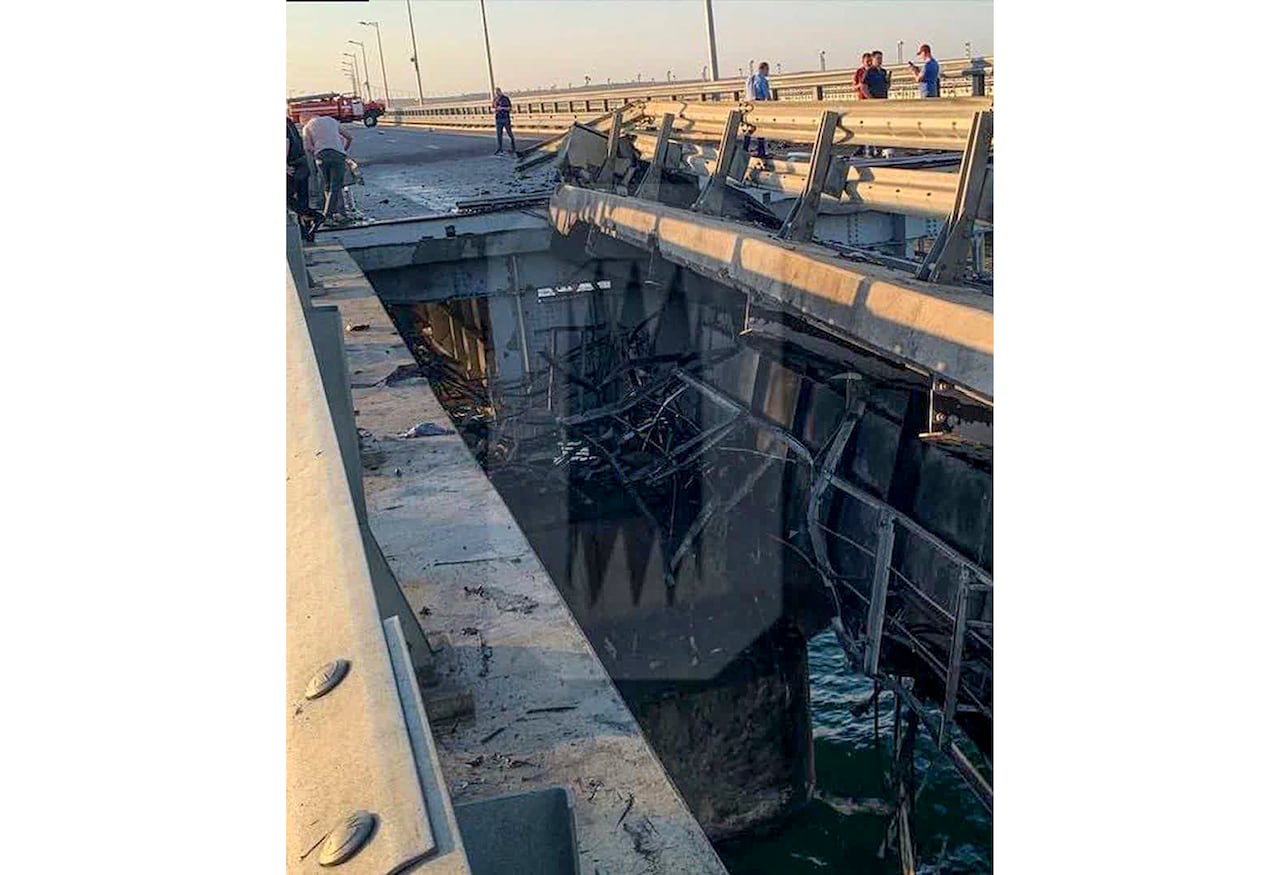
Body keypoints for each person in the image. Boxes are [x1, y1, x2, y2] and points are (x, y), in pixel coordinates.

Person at [302, 112, 353, 224]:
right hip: (337, 155)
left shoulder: (307, 127)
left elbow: (308, 147)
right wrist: (344, 150)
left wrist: (316, 155)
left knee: (327, 186)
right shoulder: (331, 120)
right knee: (336, 186)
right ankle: (328, 216)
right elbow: (349, 137)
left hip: (321, 157)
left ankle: (338, 213)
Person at [287, 117, 323, 242]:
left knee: (288, 199)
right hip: (302, 163)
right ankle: (307, 233)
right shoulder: (288, 122)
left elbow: (285, 142)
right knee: (302, 199)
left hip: (292, 165)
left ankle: (315, 217)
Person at [743, 61, 771, 158]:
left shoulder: (751, 79)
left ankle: (744, 149)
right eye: (767, 69)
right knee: (760, 128)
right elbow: (766, 94)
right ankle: (761, 151)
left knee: (750, 128)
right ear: (763, 69)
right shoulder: (762, 80)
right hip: (759, 104)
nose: (768, 72)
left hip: (750, 105)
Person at [492, 87, 516, 155]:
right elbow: (492, 108)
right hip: (498, 119)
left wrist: (502, 108)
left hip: (505, 118)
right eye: (495, 93)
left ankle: (513, 148)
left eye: (497, 92)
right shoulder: (495, 99)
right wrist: (495, 110)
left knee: (509, 133)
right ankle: (500, 149)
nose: (497, 94)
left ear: (500, 91)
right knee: (499, 135)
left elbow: (510, 108)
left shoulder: (505, 98)